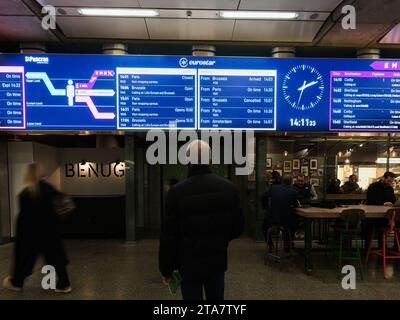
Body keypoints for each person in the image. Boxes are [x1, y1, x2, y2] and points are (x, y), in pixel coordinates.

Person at [159, 140, 244, 300]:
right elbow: (238, 226)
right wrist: (220, 239)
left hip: (188, 264)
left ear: (188, 161)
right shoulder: (229, 188)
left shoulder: (176, 192)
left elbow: (169, 236)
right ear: (210, 160)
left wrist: (166, 269)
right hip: (216, 261)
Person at [3, 163, 72, 293]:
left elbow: (24, 218)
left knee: (25, 258)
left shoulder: (25, 193)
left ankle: (17, 282)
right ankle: (64, 284)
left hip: (31, 234)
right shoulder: (49, 189)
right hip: (50, 232)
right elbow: (62, 206)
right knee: (55, 257)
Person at [365, 171, 397, 249]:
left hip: (386, 216)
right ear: (383, 178)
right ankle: (368, 248)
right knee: (368, 226)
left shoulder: (390, 188)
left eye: (391, 181)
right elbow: (369, 200)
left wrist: (392, 203)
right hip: (374, 216)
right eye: (388, 181)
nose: (390, 183)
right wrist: (382, 203)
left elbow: (393, 200)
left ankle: (395, 248)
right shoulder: (373, 186)